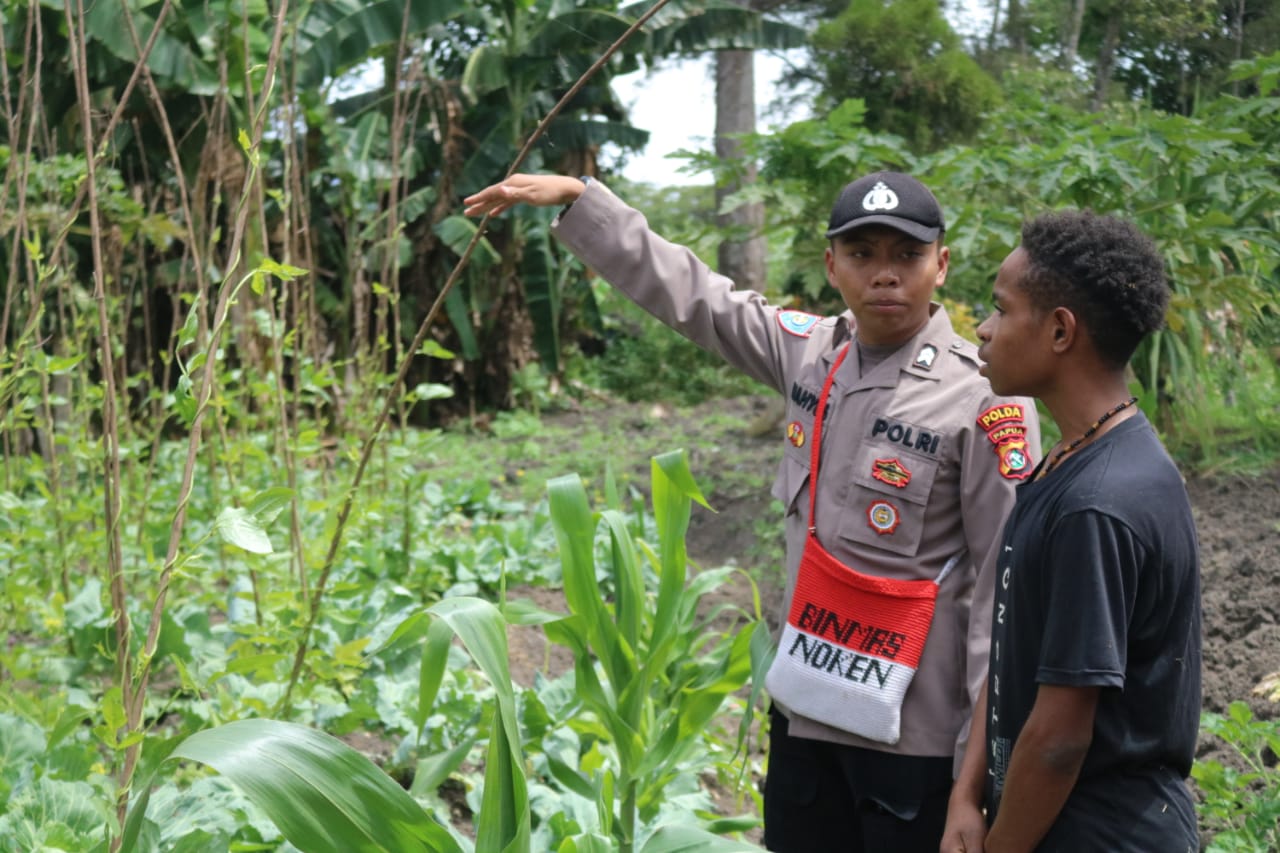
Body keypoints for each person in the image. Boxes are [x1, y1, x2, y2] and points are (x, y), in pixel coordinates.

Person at [464, 171, 1040, 851]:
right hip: (804, 718)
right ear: (831, 266)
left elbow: (1000, 607)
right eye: (862, 255)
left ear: (941, 264)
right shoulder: (809, 354)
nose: (885, 274)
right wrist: (582, 201)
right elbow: (696, 296)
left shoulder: (983, 398)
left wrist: (976, 783)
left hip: (914, 744)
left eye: (906, 255)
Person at [943, 210, 1202, 852]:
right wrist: (966, 794)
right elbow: (1014, 652)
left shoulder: (1097, 503)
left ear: (1060, 331)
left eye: (1001, 310)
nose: (983, 328)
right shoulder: (1065, 461)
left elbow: (1059, 740)